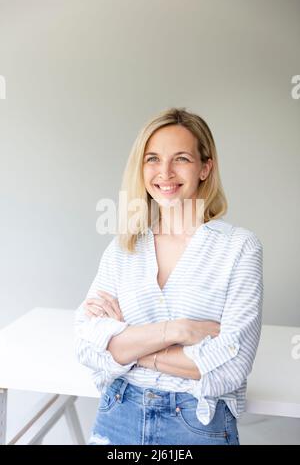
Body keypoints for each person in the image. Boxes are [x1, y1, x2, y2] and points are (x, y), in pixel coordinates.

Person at [74, 107, 263, 445]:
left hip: (196, 423)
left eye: (181, 159)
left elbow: (231, 368)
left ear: (205, 168)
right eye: (153, 159)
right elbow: (87, 346)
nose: (165, 172)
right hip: (119, 415)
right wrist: (179, 331)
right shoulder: (124, 249)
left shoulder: (238, 247)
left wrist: (129, 348)